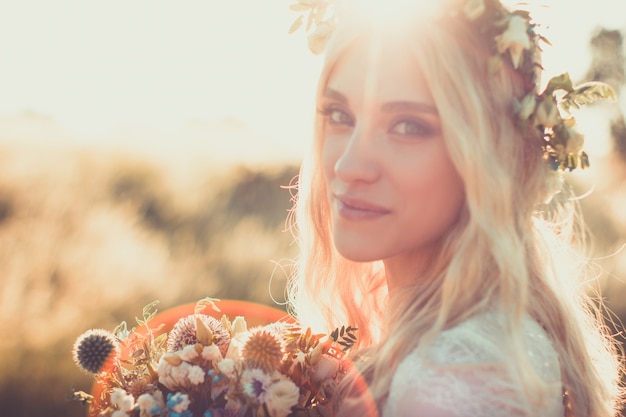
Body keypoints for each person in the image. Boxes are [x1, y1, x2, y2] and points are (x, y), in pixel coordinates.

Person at [286, 0, 624, 416]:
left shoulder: (457, 377)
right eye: (339, 114)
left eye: (408, 126)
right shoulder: (456, 340)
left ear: (485, 156)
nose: (349, 165)